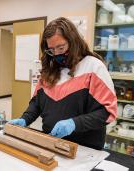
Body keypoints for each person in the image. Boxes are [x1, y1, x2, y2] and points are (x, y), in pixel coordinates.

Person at [10, 17, 117, 150]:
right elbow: (37, 103)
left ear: (73, 41)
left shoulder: (93, 67)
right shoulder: (50, 70)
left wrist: (74, 123)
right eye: (51, 50)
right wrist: (25, 119)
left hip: (83, 149)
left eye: (60, 47)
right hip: (51, 143)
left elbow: (107, 112)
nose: (56, 54)